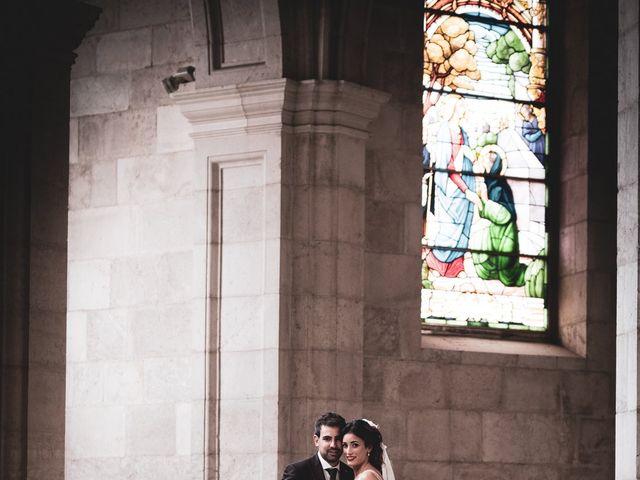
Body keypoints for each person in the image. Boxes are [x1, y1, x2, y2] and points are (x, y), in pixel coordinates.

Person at [425, 93, 479, 278]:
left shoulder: (463, 132)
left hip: (465, 185)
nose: (464, 109)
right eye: (461, 106)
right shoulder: (444, 131)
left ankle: (457, 266)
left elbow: (468, 161)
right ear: (454, 108)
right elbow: (446, 165)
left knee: (463, 226)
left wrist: (470, 156)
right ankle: (436, 262)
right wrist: (465, 189)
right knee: (449, 227)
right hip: (450, 188)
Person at [470, 145, 527, 287]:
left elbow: (504, 216)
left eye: (485, 161)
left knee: (507, 273)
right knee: (484, 268)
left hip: (506, 235)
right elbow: (485, 213)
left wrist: (485, 201)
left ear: (492, 164)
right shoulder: (489, 183)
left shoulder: (499, 187)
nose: (482, 165)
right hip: (494, 235)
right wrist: (481, 201)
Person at [282, 412, 354, 480]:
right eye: (327, 439)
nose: (333, 445)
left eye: (338, 439)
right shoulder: (297, 472)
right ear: (316, 441)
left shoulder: (350, 474)